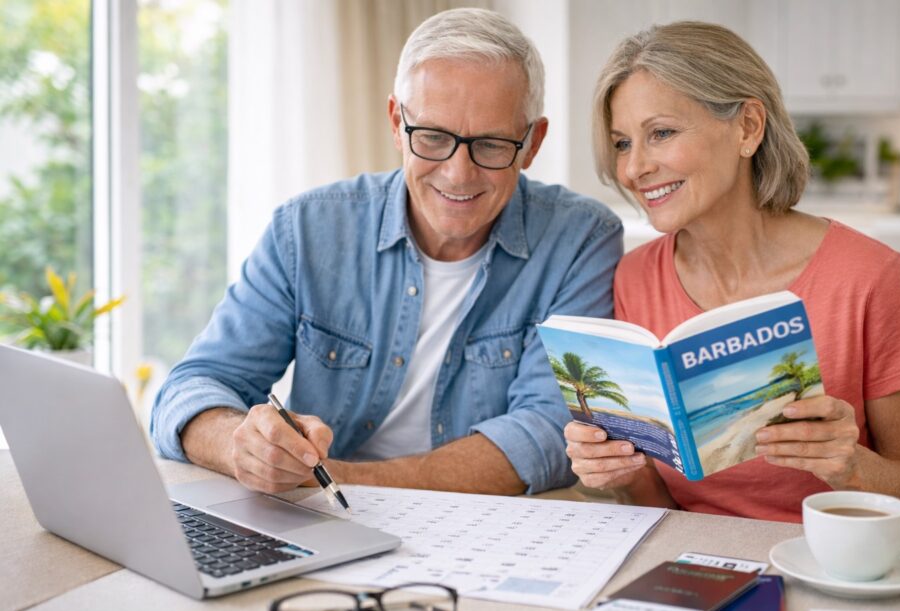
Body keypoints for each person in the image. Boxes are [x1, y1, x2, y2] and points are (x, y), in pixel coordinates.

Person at [150, 8, 622, 497]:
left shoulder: (582, 240)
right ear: (397, 123)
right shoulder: (307, 229)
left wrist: (336, 479)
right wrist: (241, 448)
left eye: (490, 145)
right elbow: (193, 387)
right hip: (314, 515)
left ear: (532, 142)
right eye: (434, 137)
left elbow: (547, 433)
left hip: (473, 524)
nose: (458, 174)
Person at [564, 21, 900, 524]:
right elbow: (661, 511)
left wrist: (851, 466)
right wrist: (618, 471)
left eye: (660, 133)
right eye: (622, 143)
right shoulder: (634, 277)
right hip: (691, 562)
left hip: (828, 565)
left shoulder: (868, 278)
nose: (634, 168)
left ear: (748, 127)